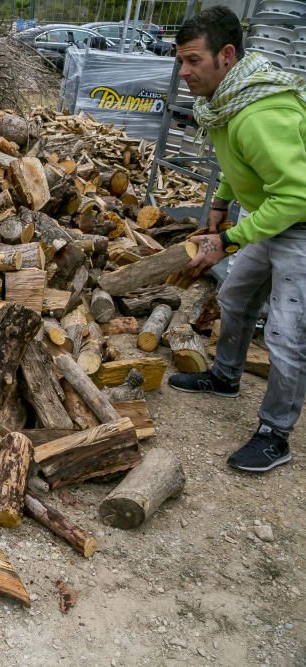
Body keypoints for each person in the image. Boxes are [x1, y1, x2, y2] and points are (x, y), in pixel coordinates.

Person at [169, 6, 306, 473]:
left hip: (300, 222)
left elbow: (296, 193)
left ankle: (276, 433)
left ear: (227, 55)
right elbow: (240, 163)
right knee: (236, 296)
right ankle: (226, 376)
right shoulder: (228, 102)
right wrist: (221, 204)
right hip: (274, 217)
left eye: (192, 61)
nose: (183, 72)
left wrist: (228, 240)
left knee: (288, 335)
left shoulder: (261, 114)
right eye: (179, 61)